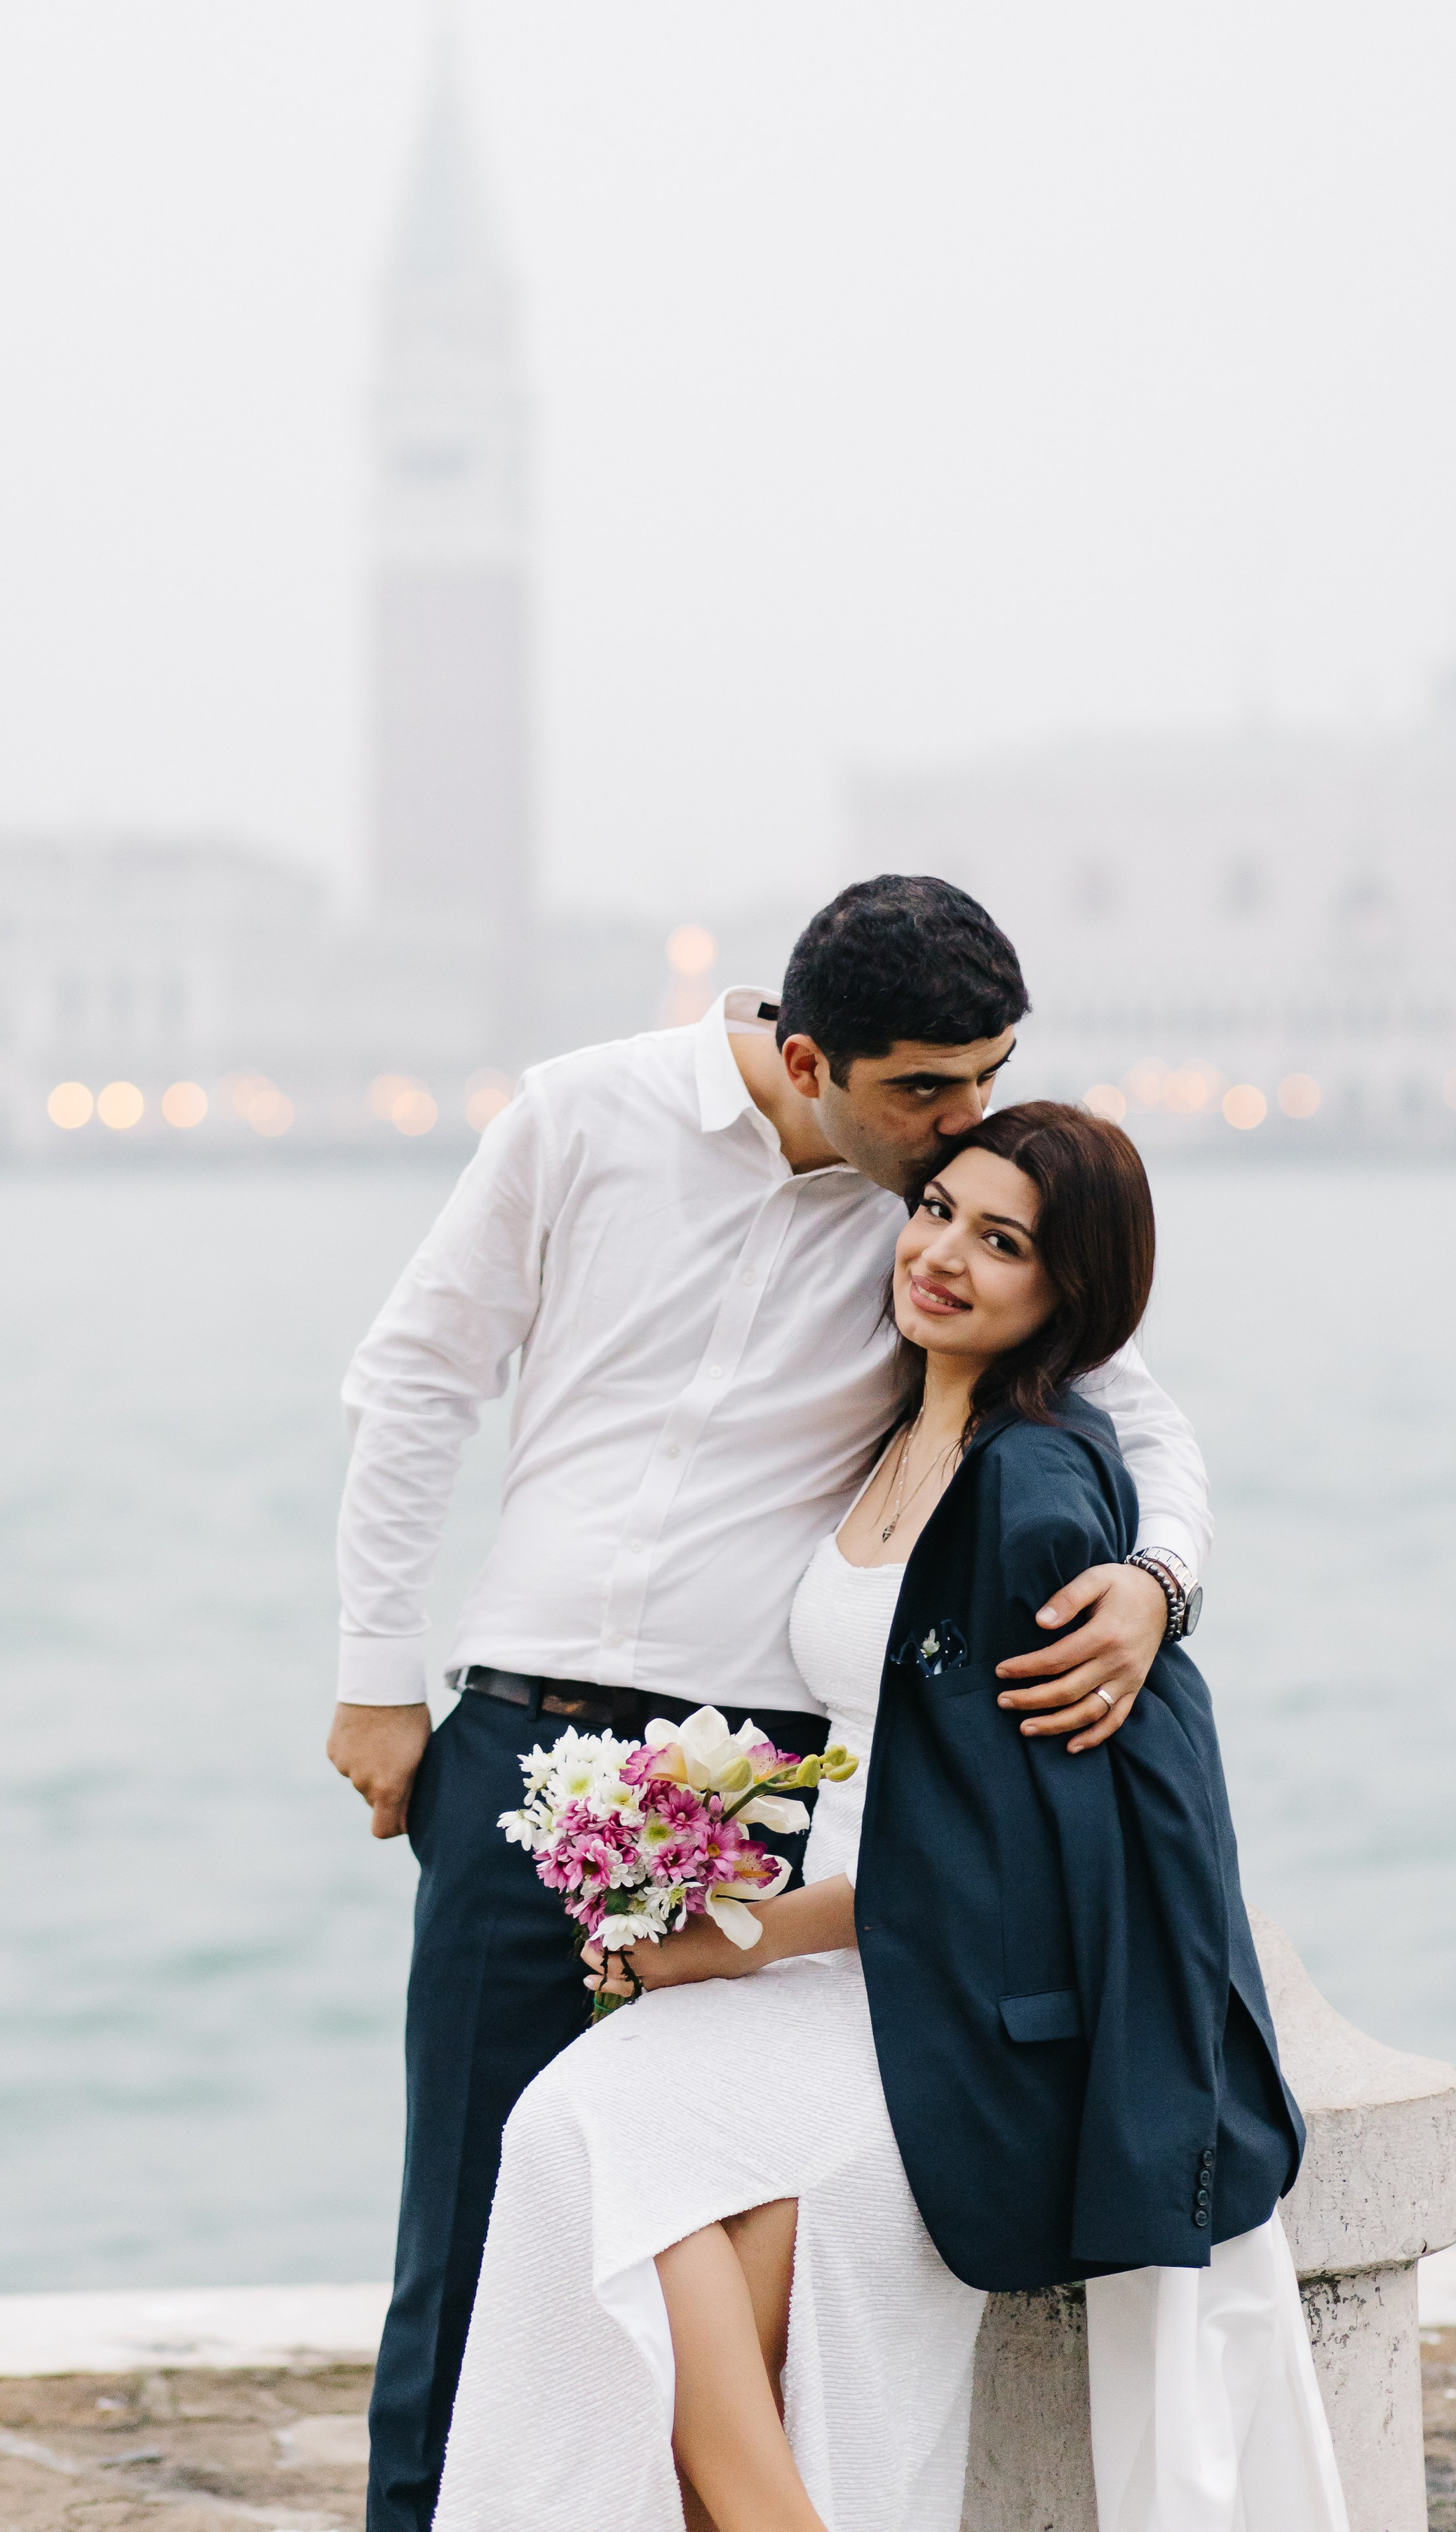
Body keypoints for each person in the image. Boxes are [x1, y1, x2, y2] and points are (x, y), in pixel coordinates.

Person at [328, 876, 1213, 2532]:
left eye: (987, 1074)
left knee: (693, 2217)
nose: (966, 1120)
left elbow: (1135, 1411)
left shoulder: (942, 1228)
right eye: (925, 1090)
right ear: (806, 1058)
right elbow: (419, 1373)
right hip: (519, 1744)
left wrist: (1156, 1580)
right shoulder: (584, 1112)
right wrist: (376, 1684)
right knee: (459, 2232)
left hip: (766, 1791)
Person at [431, 1104, 1348, 2532]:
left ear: (1069, 1295)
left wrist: (739, 1940)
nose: (939, 1255)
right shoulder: (902, 1422)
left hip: (946, 1991)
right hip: (856, 1953)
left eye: (1002, 1244)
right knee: (634, 2179)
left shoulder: (1029, 1492)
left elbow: (1004, 1857)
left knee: (601, 2134)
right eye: (934, 1211)